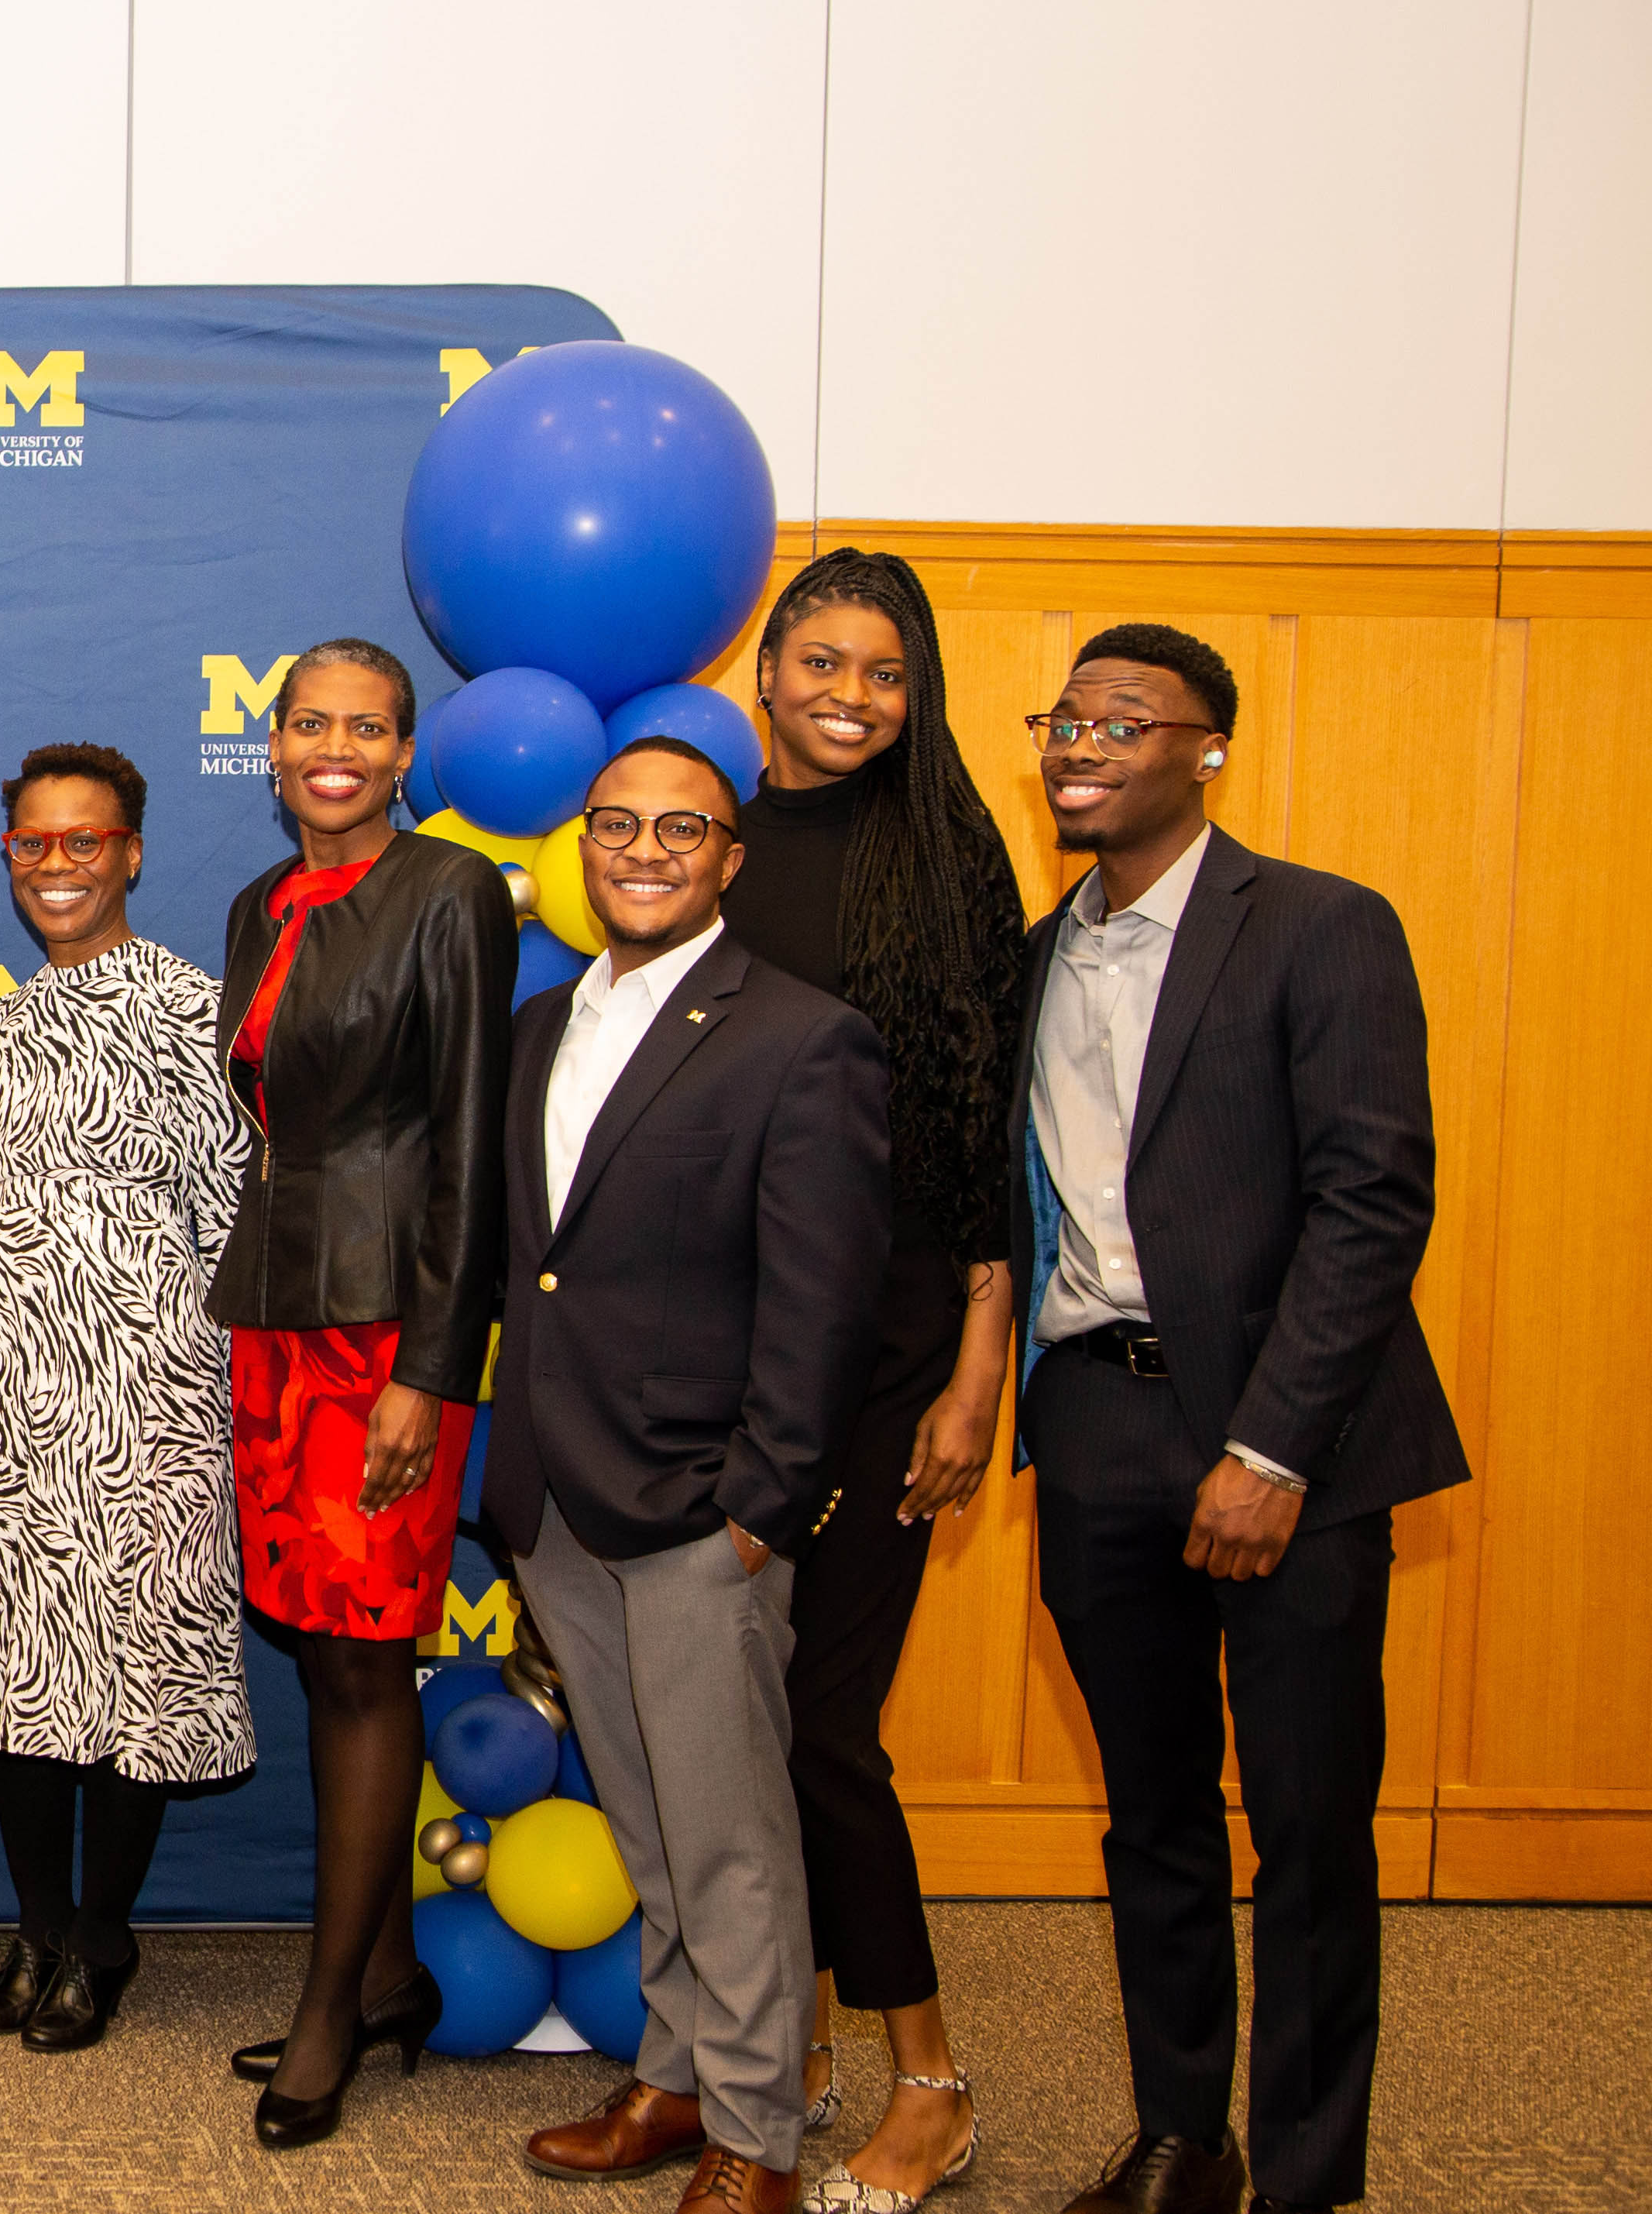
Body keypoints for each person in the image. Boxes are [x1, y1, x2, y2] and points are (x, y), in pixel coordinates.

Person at [1009, 627, 1461, 2214]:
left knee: (1311, 1831)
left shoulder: (1322, 926)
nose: (1084, 740)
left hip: (1291, 1447)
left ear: (1206, 751)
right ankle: (1185, 2136)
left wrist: (1272, 1449)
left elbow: (1371, 1198)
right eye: (1067, 716)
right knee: (1152, 1818)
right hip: (1094, 1426)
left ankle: (1309, 2179)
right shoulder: (1036, 952)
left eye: (1125, 721)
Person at [485, 737, 891, 2214]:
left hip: (699, 1510)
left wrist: (760, 1509)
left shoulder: (801, 1037)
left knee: (731, 1839)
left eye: (682, 827)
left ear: (731, 856)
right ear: (583, 845)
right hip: (556, 1494)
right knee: (650, 1819)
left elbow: (823, 1302)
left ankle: (759, 2139)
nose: (644, 848)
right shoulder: (539, 1026)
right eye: (617, 823)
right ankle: (675, 2077)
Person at [720, 551, 1023, 2214]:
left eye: (885, 671)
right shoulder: (710, 840)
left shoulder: (943, 855)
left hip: (895, 1347)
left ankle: (934, 2078)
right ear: (766, 669)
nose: (850, 692)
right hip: (732, 1351)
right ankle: (798, 2045)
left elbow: (983, 1145)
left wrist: (978, 1371)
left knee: (828, 1726)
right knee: (744, 1731)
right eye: (821, 659)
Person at [203, 642, 513, 2147]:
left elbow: (467, 1142)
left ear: (405, 754)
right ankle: (385, 1969)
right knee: (324, 1650)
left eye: (368, 727)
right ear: (272, 751)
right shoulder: (262, 905)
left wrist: (429, 1373)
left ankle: (330, 2012)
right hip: (279, 1314)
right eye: (310, 723)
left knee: (369, 1656)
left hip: (387, 1339)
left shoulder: (450, 894)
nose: (336, 747)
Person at [0, 743, 245, 2057]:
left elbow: (229, 1209)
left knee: (128, 1663)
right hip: (4, 1366)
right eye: (32, 844)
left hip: (149, 1374)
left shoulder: (196, 1009)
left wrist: (194, 1380)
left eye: (82, 841)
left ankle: (104, 1936)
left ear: (131, 852)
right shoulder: (2, 1015)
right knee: (19, 1651)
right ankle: (36, 1924)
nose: (56, 864)